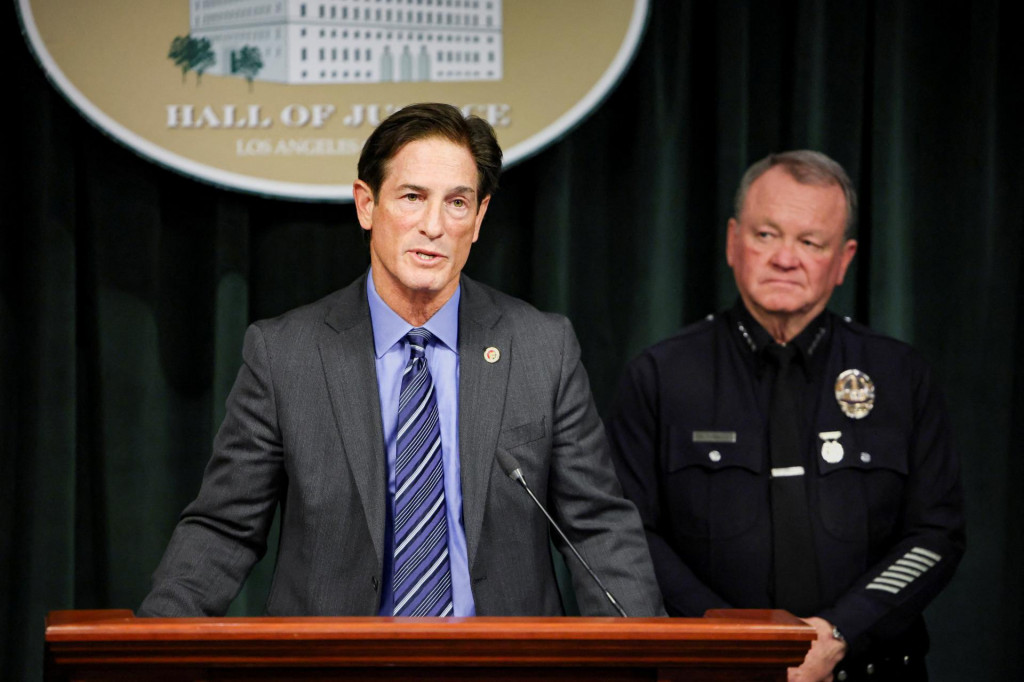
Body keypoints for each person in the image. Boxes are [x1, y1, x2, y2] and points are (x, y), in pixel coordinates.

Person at [140, 103, 663, 619]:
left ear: (478, 218)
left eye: (457, 203)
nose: (434, 225)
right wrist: (153, 645)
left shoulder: (542, 348)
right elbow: (224, 528)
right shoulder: (285, 355)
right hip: (337, 659)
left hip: (499, 658)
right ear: (366, 205)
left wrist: (650, 652)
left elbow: (597, 526)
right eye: (412, 197)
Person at [605, 151, 964, 681]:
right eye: (766, 235)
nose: (785, 258)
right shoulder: (660, 376)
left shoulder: (899, 375)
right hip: (713, 672)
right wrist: (733, 643)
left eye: (811, 242)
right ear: (733, 242)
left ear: (843, 260)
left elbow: (936, 533)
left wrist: (839, 633)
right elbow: (628, 535)